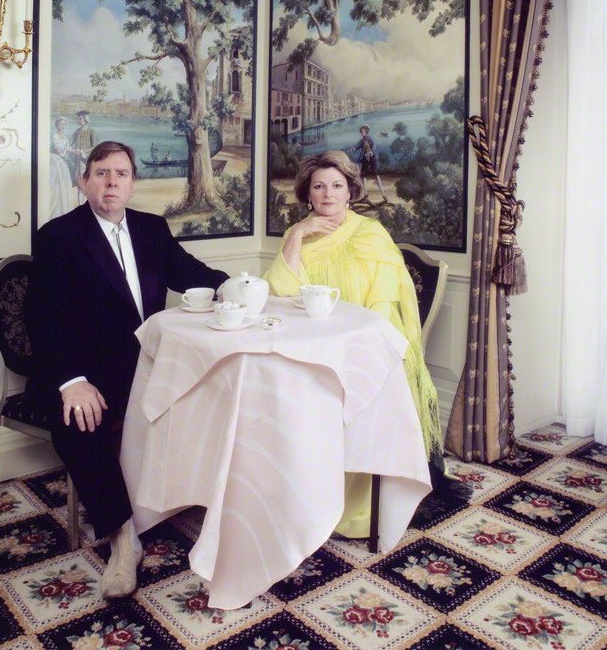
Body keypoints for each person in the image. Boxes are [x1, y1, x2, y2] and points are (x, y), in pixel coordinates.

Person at [26, 141, 228, 599]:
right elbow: (44, 318)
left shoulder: (152, 228)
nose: (111, 182)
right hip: (84, 371)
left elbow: (189, 271)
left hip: (148, 363)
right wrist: (72, 382)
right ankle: (123, 540)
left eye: (120, 173)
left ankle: (192, 499)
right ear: (84, 181)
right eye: (101, 173)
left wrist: (237, 287)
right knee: (82, 422)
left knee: (215, 388)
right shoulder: (58, 236)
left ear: (133, 182)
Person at [264, 150, 447, 538]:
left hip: (367, 347)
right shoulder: (297, 233)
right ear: (307, 195)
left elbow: (383, 306)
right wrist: (297, 236)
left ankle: (354, 502)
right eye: (319, 187)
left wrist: (354, 349)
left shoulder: (370, 233)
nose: (328, 194)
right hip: (317, 344)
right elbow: (281, 290)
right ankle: (303, 492)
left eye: (336, 186)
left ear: (350, 192)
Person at [350, 123, 388, 203]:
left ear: (366, 131)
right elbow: (357, 145)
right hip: (365, 158)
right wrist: (353, 148)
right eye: (361, 132)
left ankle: (384, 194)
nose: (361, 133)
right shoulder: (362, 140)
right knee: (363, 175)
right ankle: (366, 194)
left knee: (376, 175)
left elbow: (374, 145)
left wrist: (371, 151)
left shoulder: (370, 138)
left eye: (362, 131)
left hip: (372, 158)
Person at [49, 117, 75, 218]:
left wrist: (75, 150)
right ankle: (56, 210)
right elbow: (58, 148)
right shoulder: (54, 135)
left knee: (64, 184)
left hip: (61, 161)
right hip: (55, 160)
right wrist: (68, 151)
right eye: (61, 124)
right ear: (56, 125)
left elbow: (67, 148)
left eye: (64, 125)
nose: (62, 127)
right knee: (57, 184)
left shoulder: (63, 137)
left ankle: (64, 209)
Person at [70, 110, 96, 201]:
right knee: (79, 181)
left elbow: (94, 146)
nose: (79, 120)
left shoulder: (91, 131)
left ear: (85, 119)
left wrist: (83, 152)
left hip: (87, 160)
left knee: (87, 181)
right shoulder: (77, 131)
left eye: (80, 118)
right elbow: (69, 143)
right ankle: (81, 205)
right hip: (78, 161)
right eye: (78, 119)